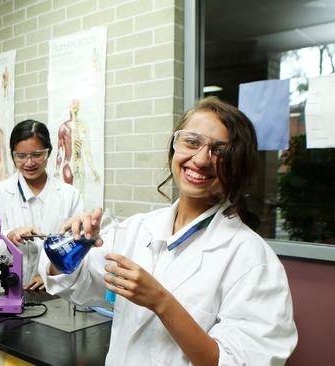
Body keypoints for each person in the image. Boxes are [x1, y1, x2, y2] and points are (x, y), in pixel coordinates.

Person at [39, 97, 298, 365]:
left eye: (220, 151)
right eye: (192, 142)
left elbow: (238, 362)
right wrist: (74, 244)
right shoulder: (137, 229)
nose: (201, 159)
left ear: (238, 165)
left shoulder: (253, 261)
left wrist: (161, 301)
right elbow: (76, 284)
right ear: (174, 147)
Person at [0, 119, 83, 291]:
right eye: (21, 156)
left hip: (55, 292)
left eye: (37, 154)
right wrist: (10, 235)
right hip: (6, 289)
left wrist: (51, 274)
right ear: (13, 155)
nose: (29, 163)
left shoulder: (70, 195)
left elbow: (77, 246)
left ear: (49, 152)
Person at [54, 99, 100, 195]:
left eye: (76, 107)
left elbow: (87, 151)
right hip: (68, 164)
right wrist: (57, 170)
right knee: (69, 195)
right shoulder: (64, 127)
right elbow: (60, 152)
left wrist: (94, 170)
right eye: (73, 106)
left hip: (79, 164)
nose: (75, 109)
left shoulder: (83, 126)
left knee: (80, 196)